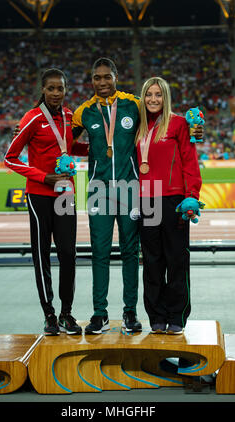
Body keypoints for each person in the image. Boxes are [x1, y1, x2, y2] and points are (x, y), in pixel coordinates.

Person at [4, 68, 88, 336]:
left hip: (66, 194)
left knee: (68, 255)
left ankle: (66, 313)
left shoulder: (70, 117)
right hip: (40, 195)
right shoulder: (31, 118)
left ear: (66, 90)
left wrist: (99, 147)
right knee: (42, 256)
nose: (55, 93)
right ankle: (49, 314)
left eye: (60, 89)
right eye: (50, 88)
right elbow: (10, 157)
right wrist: (43, 177)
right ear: (43, 90)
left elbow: (70, 147)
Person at [72, 58, 142, 334]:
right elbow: (62, 141)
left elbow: (162, 119)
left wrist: (192, 127)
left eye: (107, 77)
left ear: (116, 76)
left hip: (129, 188)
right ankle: (99, 314)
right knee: (99, 253)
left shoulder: (133, 104)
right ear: (92, 80)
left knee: (130, 252)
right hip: (98, 190)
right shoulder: (84, 111)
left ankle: (130, 313)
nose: (102, 83)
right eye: (97, 78)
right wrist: (25, 132)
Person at [135, 76, 202, 335]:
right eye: (149, 94)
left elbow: (189, 161)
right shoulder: (137, 125)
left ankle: (177, 314)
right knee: (152, 260)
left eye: (158, 94)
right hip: (146, 198)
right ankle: (156, 314)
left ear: (166, 97)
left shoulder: (179, 123)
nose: (153, 99)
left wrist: (192, 194)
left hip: (174, 200)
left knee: (176, 259)